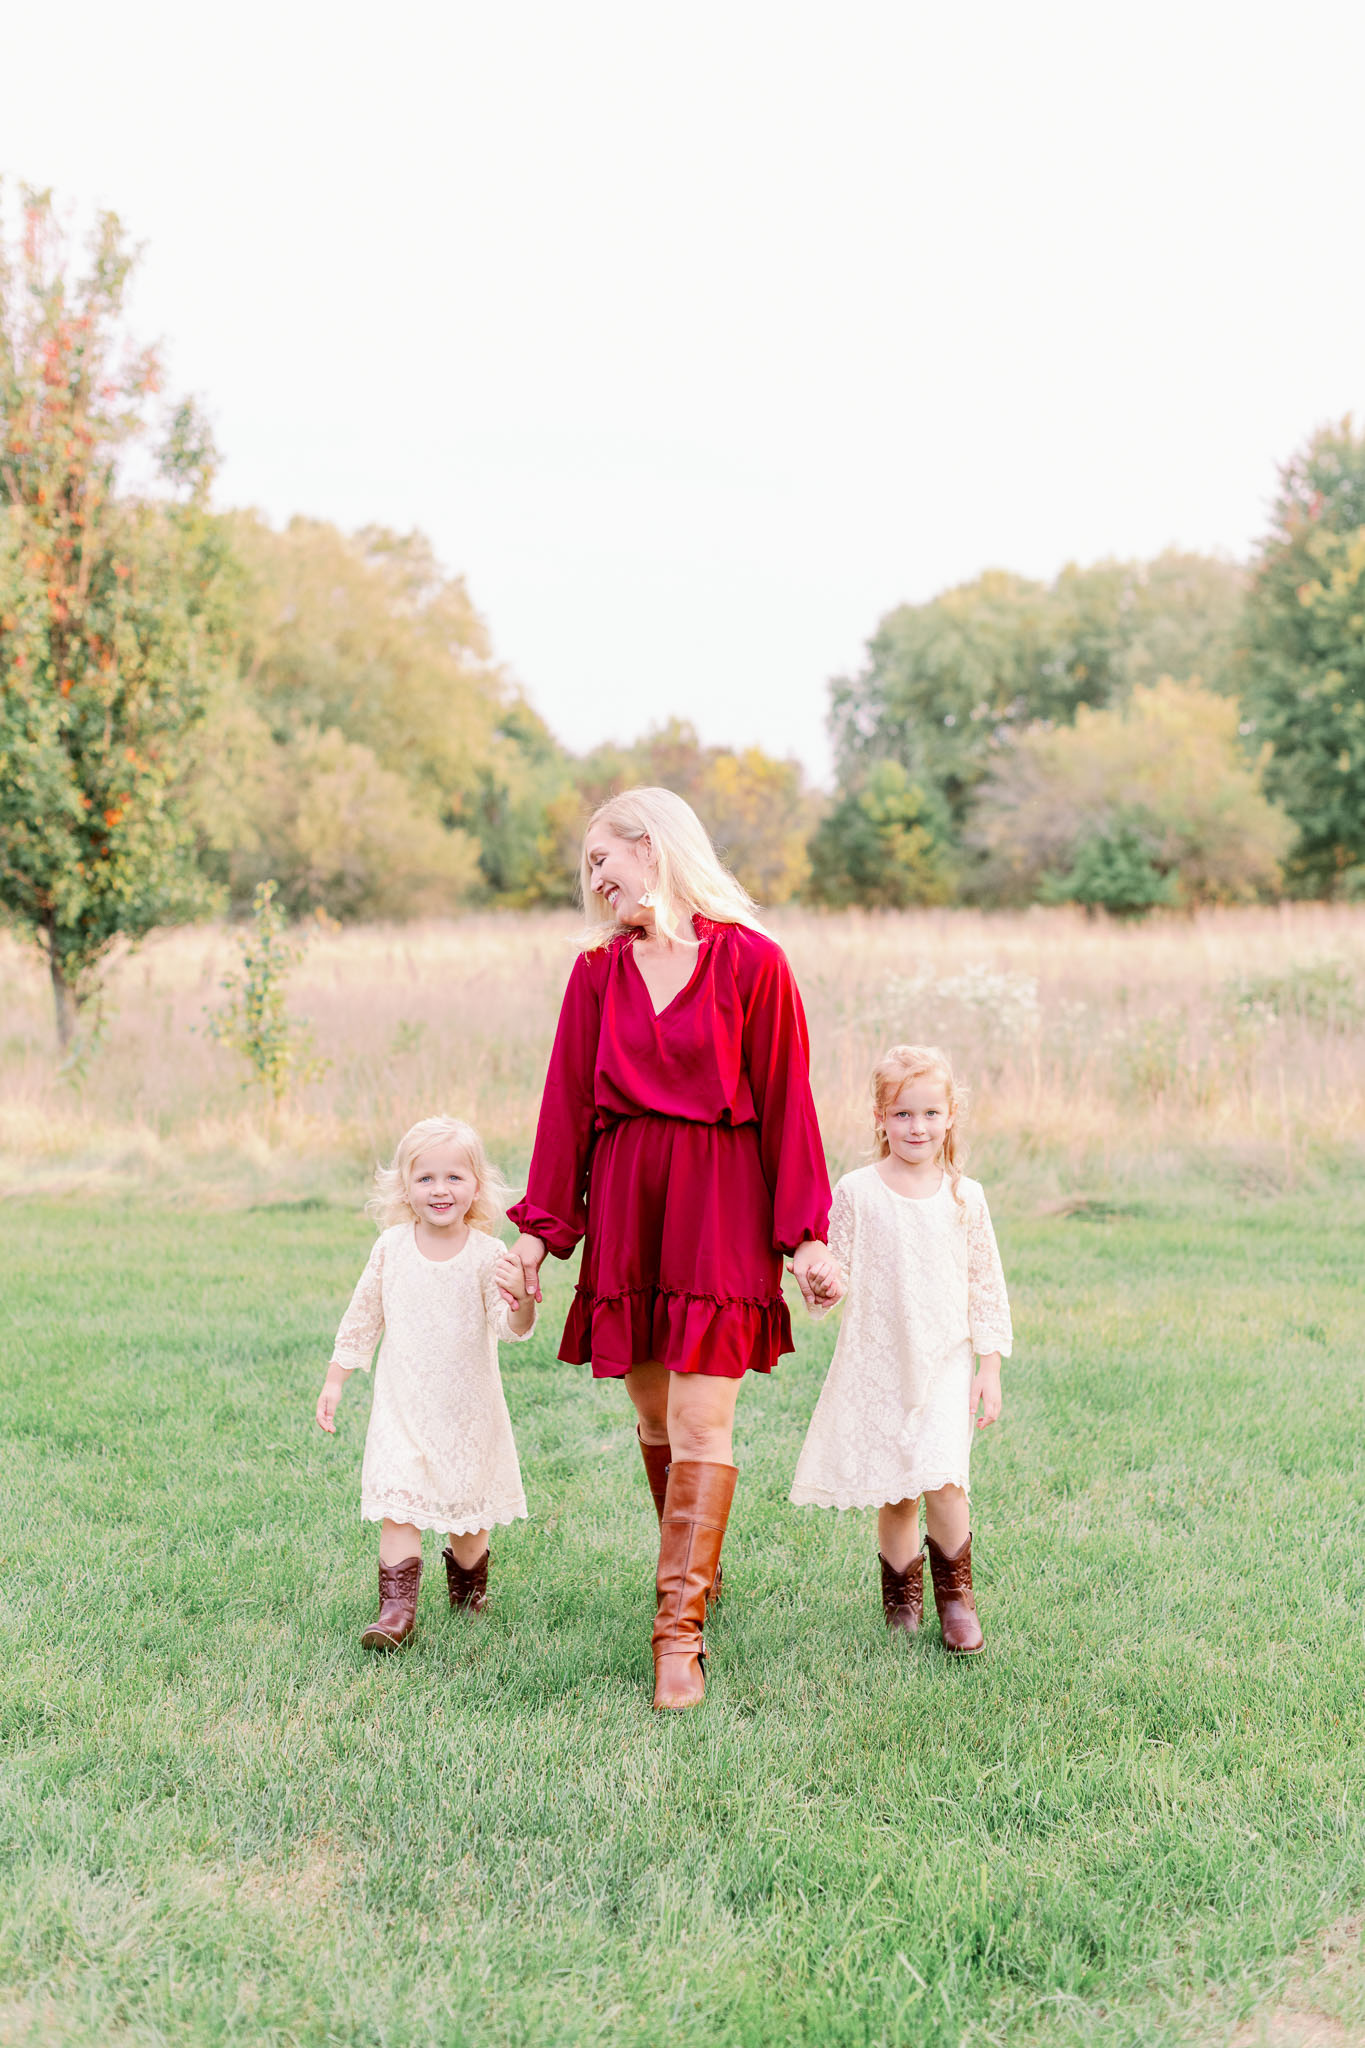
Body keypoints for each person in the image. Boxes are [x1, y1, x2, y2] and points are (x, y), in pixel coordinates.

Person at [504, 786, 839, 1711]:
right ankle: (697, 1573)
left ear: (651, 845)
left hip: (719, 1209)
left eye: (600, 860)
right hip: (628, 1209)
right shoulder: (595, 974)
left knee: (699, 1422)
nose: (594, 880)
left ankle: (677, 1635)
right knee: (653, 1419)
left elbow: (788, 1104)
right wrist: (539, 1234)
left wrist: (805, 1238)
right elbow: (566, 1106)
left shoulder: (754, 963)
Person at [789, 1045, 1012, 1655]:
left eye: (931, 1113)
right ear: (881, 1118)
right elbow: (836, 1271)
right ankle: (901, 1601)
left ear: (950, 1116)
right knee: (897, 1490)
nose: (918, 1127)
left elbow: (986, 1284)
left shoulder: (965, 1196)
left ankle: (956, 1600)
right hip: (881, 1360)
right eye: (903, 1114)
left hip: (945, 1359)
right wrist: (822, 1281)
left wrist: (989, 1366)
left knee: (945, 1479)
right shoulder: (857, 1191)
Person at [316, 1115, 535, 1651]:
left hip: (468, 1411)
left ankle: (469, 1596)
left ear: (477, 1186)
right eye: (426, 1178)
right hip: (403, 1406)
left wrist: (524, 1297)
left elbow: (511, 1328)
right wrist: (336, 1379)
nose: (440, 1189)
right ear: (405, 1187)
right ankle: (396, 1613)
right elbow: (363, 1317)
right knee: (399, 1505)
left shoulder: (488, 1255)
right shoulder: (391, 1247)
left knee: (467, 1521)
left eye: (454, 1177)